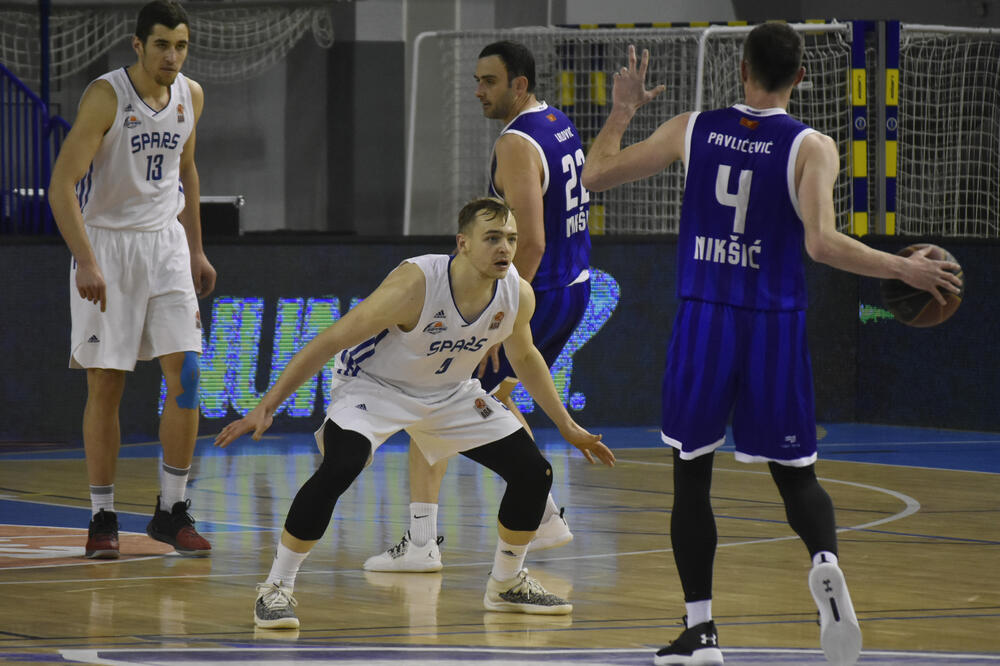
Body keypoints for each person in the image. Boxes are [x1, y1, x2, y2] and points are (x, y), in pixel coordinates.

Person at [581, 25, 962, 666]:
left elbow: (594, 176)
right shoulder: (813, 146)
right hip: (775, 325)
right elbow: (821, 242)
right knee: (797, 478)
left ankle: (700, 631)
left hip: (705, 319)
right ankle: (824, 561)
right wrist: (904, 270)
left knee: (690, 476)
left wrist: (621, 110)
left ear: (743, 70)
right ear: (802, 77)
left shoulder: (691, 128)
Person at [214, 197, 615, 630]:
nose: (505, 248)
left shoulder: (516, 292)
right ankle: (276, 588)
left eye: (512, 239)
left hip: (449, 392)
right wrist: (266, 406)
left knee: (535, 473)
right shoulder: (416, 285)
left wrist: (567, 426)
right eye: (493, 238)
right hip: (373, 387)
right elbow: (328, 342)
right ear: (463, 243)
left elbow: (526, 356)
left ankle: (506, 582)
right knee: (340, 466)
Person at [364, 40, 592, 573]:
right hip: (571, 284)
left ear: (519, 84)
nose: (477, 91)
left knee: (437, 394)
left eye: (488, 81)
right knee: (483, 399)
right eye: (476, 80)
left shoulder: (515, 144)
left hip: (541, 288)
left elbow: (529, 241)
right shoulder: (556, 121)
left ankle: (423, 544)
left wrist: (496, 318)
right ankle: (546, 515)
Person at [48, 0, 216, 559]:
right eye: (163, 44)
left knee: (188, 374)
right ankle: (102, 516)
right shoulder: (106, 96)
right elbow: (62, 186)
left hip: (165, 246)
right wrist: (87, 260)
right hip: (108, 247)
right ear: (138, 45)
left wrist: (195, 248)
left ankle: (171, 510)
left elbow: (186, 170)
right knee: (108, 384)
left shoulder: (190, 96)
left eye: (182, 45)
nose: (173, 55)